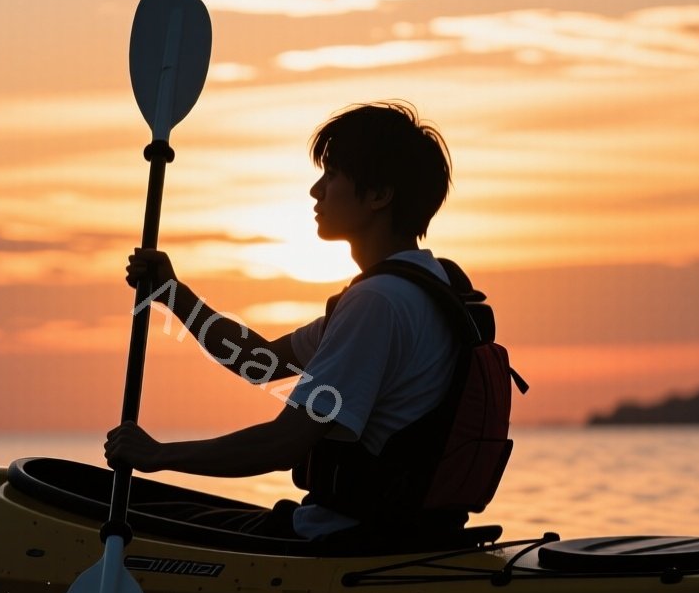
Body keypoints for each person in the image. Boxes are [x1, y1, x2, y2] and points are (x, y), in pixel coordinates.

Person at [104, 101, 466, 541]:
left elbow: (284, 443)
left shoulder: (377, 302)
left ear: (378, 195)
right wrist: (174, 297)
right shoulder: (427, 285)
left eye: (332, 175)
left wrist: (158, 454)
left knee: (136, 521)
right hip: (396, 533)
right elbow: (261, 362)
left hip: (339, 539)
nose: (316, 191)